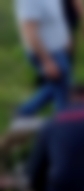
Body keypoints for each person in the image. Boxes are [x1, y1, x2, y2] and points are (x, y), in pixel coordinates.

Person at [11, 0, 72, 128]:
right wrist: (46, 61)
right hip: (46, 53)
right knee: (63, 95)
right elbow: (29, 31)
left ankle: (24, 112)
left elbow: (56, 20)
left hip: (59, 51)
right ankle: (65, 129)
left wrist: (66, 38)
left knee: (59, 87)